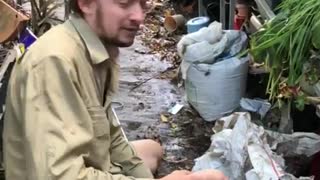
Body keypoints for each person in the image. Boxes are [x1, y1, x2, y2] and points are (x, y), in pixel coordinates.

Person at [3, 0, 228, 179]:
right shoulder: (55, 62)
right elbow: (60, 175)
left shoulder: (98, 51)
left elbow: (111, 136)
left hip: (91, 160)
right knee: (213, 175)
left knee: (152, 150)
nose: (138, 16)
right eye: (124, 3)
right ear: (87, 3)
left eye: (142, 4)